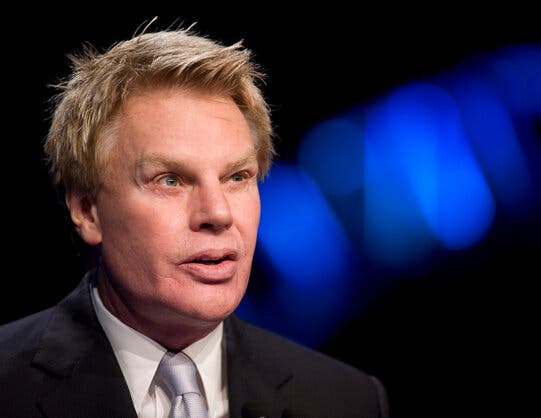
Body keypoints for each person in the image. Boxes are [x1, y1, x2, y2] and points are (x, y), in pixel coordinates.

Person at [0, 26, 388, 418]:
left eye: (237, 177)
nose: (218, 214)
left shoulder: (346, 401)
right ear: (87, 210)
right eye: (170, 180)